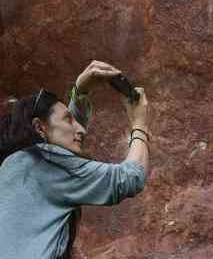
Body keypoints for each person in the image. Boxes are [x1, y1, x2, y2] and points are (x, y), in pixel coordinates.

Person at [0, 60, 150, 259]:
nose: (80, 129)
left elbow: (66, 145)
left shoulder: (17, 163)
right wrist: (139, 126)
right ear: (39, 127)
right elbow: (129, 178)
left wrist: (79, 93)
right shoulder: (45, 160)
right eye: (68, 119)